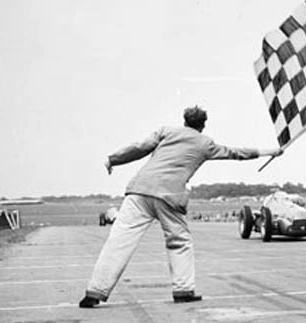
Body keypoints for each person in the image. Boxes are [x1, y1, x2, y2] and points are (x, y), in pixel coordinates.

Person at [79, 106, 282, 308]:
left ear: (185, 121)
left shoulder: (165, 131)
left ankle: (95, 292)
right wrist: (269, 151)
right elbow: (236, 153)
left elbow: (139, 148)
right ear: (203, 125)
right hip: (170, 196)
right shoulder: (206, 143)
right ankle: (183, 290)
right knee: (179, 242)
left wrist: (112, 159)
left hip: (139, 190)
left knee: (119, 241)